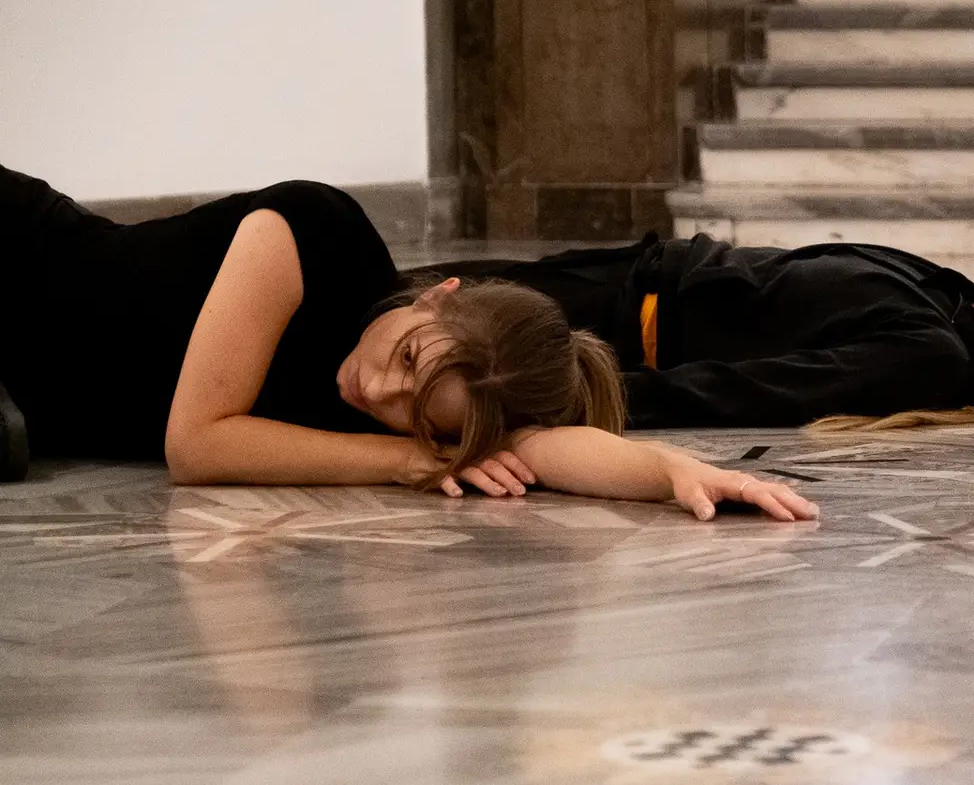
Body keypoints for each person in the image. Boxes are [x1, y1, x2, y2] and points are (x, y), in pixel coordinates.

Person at [0, 167, 815, 520]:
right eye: (407, 358)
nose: (378, 392)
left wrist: (673, 471)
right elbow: (196, 444)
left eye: (418, 413)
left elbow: (546, 449)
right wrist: (407, 459)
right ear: (436, 295)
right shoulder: (313, 232)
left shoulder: (439, 403)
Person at [426, 235, 974, 430]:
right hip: (627, 275)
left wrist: (584, 399)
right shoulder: (961, 301)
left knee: (397, 317)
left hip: (611, 325)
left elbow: (755, 391)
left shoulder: (935, 356)